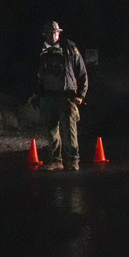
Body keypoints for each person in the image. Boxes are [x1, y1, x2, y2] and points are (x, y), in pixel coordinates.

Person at [34, 20, 88, 171]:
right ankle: (56, 160)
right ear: (45, 34)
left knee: (69, 130)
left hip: (66, 96)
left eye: (54, 32)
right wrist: (36, 95)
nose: (52, 35)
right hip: (47, 96)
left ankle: (73, 161)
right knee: (51, 131)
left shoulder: (69, 48)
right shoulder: (40, 51)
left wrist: (81, 94)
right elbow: (34, 74)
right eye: (49, 33)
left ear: (59, 33)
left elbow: (82, 71)